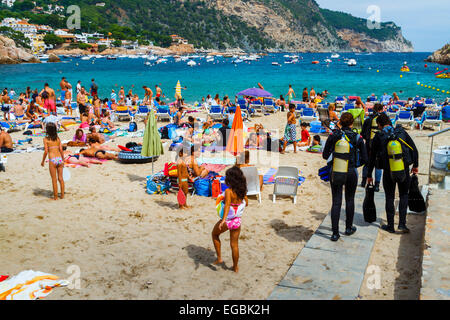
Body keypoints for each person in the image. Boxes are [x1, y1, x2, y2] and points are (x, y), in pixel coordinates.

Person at [367, 113, 419, 234]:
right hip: (403, 170)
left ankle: (390, 226)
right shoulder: (401, 133)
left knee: (389, 197)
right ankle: (402, 224)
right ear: (390, 122)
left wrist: (369, 175)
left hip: (387, 171)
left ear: (379, 124)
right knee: (404, 195)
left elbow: (372, 158)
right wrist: (415, 165)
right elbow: (414, 149)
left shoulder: (379, 136)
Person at [323, 112, 368, 241]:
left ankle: (335, 233)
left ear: (340, 123)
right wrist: (354, 164)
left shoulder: (333, 135)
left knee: (336, 201)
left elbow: (325, 155)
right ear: (352, 123)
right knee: (350, 199)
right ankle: (348, 228)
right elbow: (365, 158)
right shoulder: (357, 137)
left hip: (336, 171)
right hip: (351, 171)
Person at [212, 166, 248, 273]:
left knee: (214, 234)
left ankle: (219, 258)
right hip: (237, 221)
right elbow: (247, 202)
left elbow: (227, 205)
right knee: (234, 245)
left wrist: (223, 220)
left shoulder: (229, 191)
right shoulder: (242, 191)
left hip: (228, 221)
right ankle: (235, 267)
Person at [361, 103, 384, 191]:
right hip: (380, 145)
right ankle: (377, 185)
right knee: (378, 165)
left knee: (367, 163)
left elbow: (362, 133)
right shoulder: (383, 120)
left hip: (368, 145)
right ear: (381, 110)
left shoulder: (368, 119)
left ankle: (363, 181)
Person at [41, 123, 65, 200]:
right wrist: (63, 159)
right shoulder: (57, 138)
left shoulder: (45, 139)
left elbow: (45, 151)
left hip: (52, 160)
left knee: (54, 179)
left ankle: (55, 197)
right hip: (59, 159)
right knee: (61, 178)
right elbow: (61, 150)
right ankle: (62, 195)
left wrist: (43, 161)